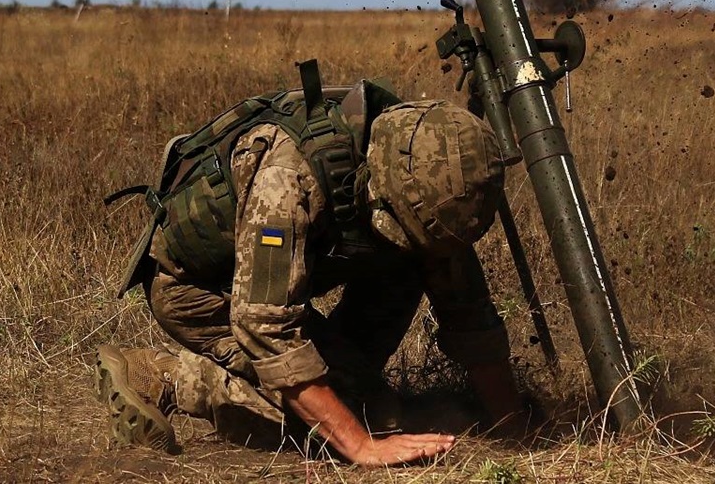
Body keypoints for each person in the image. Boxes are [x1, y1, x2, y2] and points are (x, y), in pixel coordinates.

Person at [95, 70, 527, 466]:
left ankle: (348, 377)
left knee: (404, 279)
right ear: (378, 187)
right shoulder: (286, 181)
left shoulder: (425, 169)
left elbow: (464, 306)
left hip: (286, 279)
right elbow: (265, 328)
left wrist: (514, 426)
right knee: (355, 414)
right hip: (199, 288)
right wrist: (361, 446)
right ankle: (165, 377)